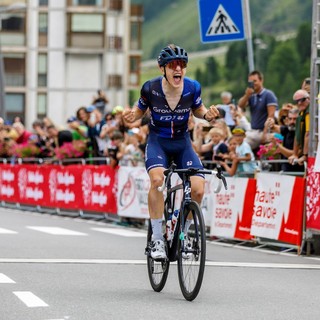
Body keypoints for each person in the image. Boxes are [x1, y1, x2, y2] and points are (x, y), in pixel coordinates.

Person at [123, 44, 219, 260]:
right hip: (159, 142)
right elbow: (138, 112)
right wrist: (131, 117)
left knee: (198, 189)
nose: (178, 69)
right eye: (173, 65)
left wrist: (209, 115)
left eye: (182, 65)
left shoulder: (192, 87)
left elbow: (199, 109)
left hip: (182, 143)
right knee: (157, 181)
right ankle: (157, 238)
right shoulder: (150, 88)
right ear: (162, 68)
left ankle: (183, 232)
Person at [238, 70, 278, 150]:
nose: (253, 84)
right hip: (253, 131)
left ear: (261, 80)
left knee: (241, 147)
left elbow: (271, 116)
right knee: (235, 141)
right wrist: (247, 95)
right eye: (250, 82)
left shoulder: (268, 95)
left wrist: (264, 133)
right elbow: (240, 105)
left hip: (263, 131)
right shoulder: (251, 96)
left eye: (255, 81)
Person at [263, 107, 303, 172]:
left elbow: (293, 154)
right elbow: (273, 127)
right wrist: (270, 121)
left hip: (298, 171)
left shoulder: (303, 133)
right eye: (290, 119)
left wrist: (277, 145)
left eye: (295, 119)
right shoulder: (287, 129)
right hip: (285, 169)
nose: (292, 122)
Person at [288, 89, 310, 166]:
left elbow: (308, 134)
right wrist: (295, 154)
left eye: (302, 100)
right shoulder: (301, 113)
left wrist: (305, 155)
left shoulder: (309, 112)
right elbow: (297, 134)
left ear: (308, 98)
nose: (299, 103)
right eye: (297, 101)